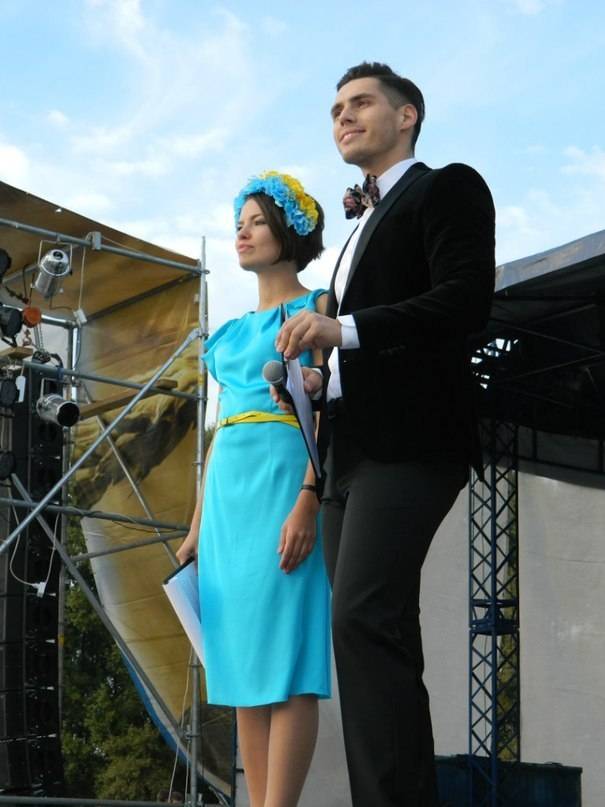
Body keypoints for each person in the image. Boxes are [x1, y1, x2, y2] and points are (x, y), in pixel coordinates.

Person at [275, 63, 496, 806]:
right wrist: (319, 382)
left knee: (362, 618)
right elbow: (361, 347)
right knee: (371, 632)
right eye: (335, 108)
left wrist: (342, 330)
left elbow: (465, 301)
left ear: (407, 116)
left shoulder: (447, 187)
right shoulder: (355, 230)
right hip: (348, 450)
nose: (342, 116)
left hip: (412, 441)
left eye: (360, 102)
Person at [176, 171, 331, 807]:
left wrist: (309, 498)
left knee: (290, 660)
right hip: (228, 504)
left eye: (258, 222)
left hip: (285, 485)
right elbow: (219, 435)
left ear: (289, 230)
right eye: (238, 223)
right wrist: (196, 528)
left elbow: (327, 414)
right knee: (240, 667)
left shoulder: (318, 306)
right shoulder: (229, 335)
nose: (242, 232)